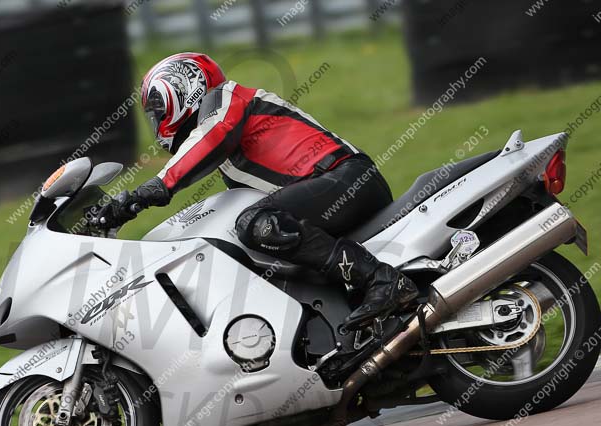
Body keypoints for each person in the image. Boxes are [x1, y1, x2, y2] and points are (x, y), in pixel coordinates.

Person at [94, 53, 417, 330]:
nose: (158, 121)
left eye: (158, 109)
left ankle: (382, 280)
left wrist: (143, 194)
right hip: (334, 189)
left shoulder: (224, 100)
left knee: (255, 222)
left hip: (345, 178)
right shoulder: (228, 156)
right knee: (251, 237)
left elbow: (208, 139)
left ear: (183, 88)